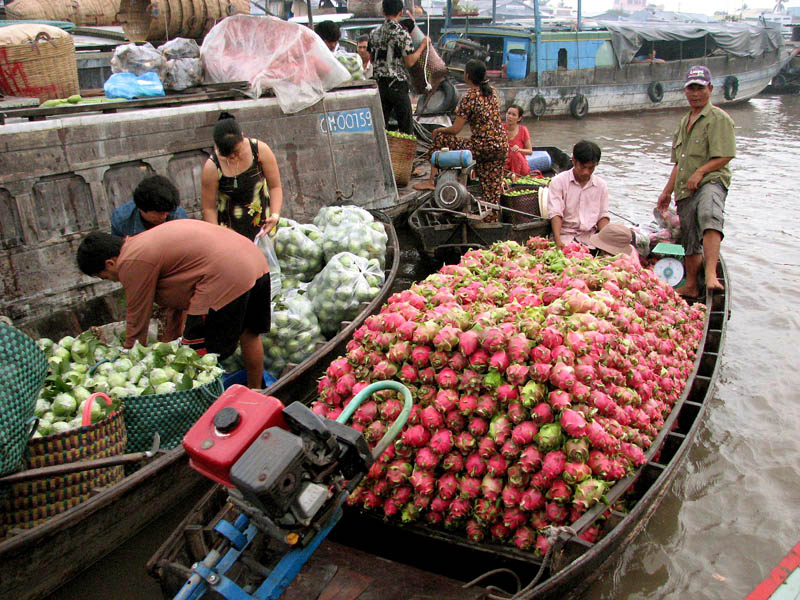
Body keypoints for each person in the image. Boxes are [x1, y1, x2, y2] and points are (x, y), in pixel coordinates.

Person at [76, 220, 271, 389]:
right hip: (254, 261)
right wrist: (172, 338)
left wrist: (130, 359)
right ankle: (257, 391)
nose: (114, 281)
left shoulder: (131, 260)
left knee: (198, 358)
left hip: (225, 275)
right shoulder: (146, 244)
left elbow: (137, 317)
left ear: (110, 263)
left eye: (107, 277)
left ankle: (205, 410)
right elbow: (175, 304)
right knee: (249, 333)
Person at [657, 65, 734, 297]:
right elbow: (678, 163)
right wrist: (666, 191)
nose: (695, 93)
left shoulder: (718, 118)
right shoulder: (684, 122)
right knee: (689, 235)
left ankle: (710, 274)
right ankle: (691, 285)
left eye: (700, 88)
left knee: (709, 215)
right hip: (685, 188)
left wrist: (700, 173)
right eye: (691, 88)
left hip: (710, 181)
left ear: (710, 89)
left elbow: (726, 154)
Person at [412, 59, 507, 212]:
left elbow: (456, 129)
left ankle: (432, 180)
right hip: (501, 146)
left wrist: (440, 130)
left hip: (481, 147)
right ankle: (491, 220)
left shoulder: (469, 97)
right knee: (491, 193)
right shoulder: (492, 91)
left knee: (440, 139)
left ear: (468, 76)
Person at [201, 112, 283, 240]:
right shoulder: (212, 167)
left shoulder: (260, 150)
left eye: (236, 151)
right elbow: (209, 208)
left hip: (264, 227)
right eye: (226, 154)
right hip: (231, 234)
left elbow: (275, 187)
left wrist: (275, 215)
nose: (232, 157)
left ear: (243, 136)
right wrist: (217, 238)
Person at [368, 0, 430, 135]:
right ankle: (405, 154)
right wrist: (423, 46)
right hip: (397, 84)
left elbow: (372, 58)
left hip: (380, 86)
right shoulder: (402, 33)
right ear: (401, 13)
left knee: (380, 126)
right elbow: (409, 61)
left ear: (383, 12)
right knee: (406, 127)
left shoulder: (373, 33)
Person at [547, 140, 610, 250]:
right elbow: (556, 213)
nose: (586, 172)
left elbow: (603, 216)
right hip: (565, 237)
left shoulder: (601, 185)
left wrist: (606, 242)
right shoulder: (558, 182)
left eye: (591, 168)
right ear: (574, 161)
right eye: (583, 167)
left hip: (590, 239)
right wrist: (558, 241)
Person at [110, 175, 187, 237]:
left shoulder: (177, 213)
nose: (164, 217)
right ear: (141, 209)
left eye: (167, 213)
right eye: (159, 213)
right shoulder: (121, 219)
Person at [503, 104, 532, 176]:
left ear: (519, 118)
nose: (510, 116)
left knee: (515, 153)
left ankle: (515, 175)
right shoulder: (500, 128)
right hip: (504, 164)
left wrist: (519, 150)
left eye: (514, 115)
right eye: (509, 113)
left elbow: (530, 151)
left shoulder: (523, 130)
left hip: (519, 166)